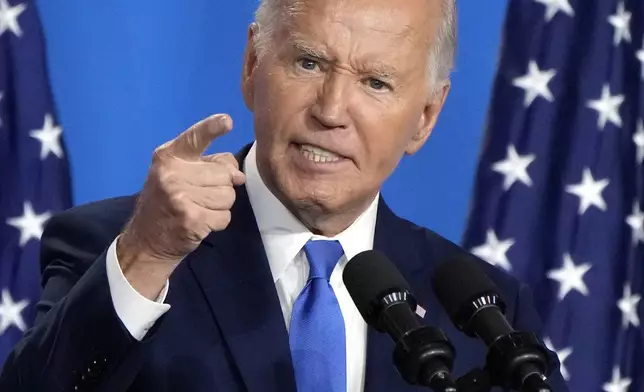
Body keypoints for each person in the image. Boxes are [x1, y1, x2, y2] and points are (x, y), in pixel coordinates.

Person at [0, 0, 569, 390]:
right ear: (253, 65)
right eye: (309, 62)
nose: (330, 111)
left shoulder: (487, 313)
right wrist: (147, 254)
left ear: (424, 116)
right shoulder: (118, 248)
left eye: (376, 82)